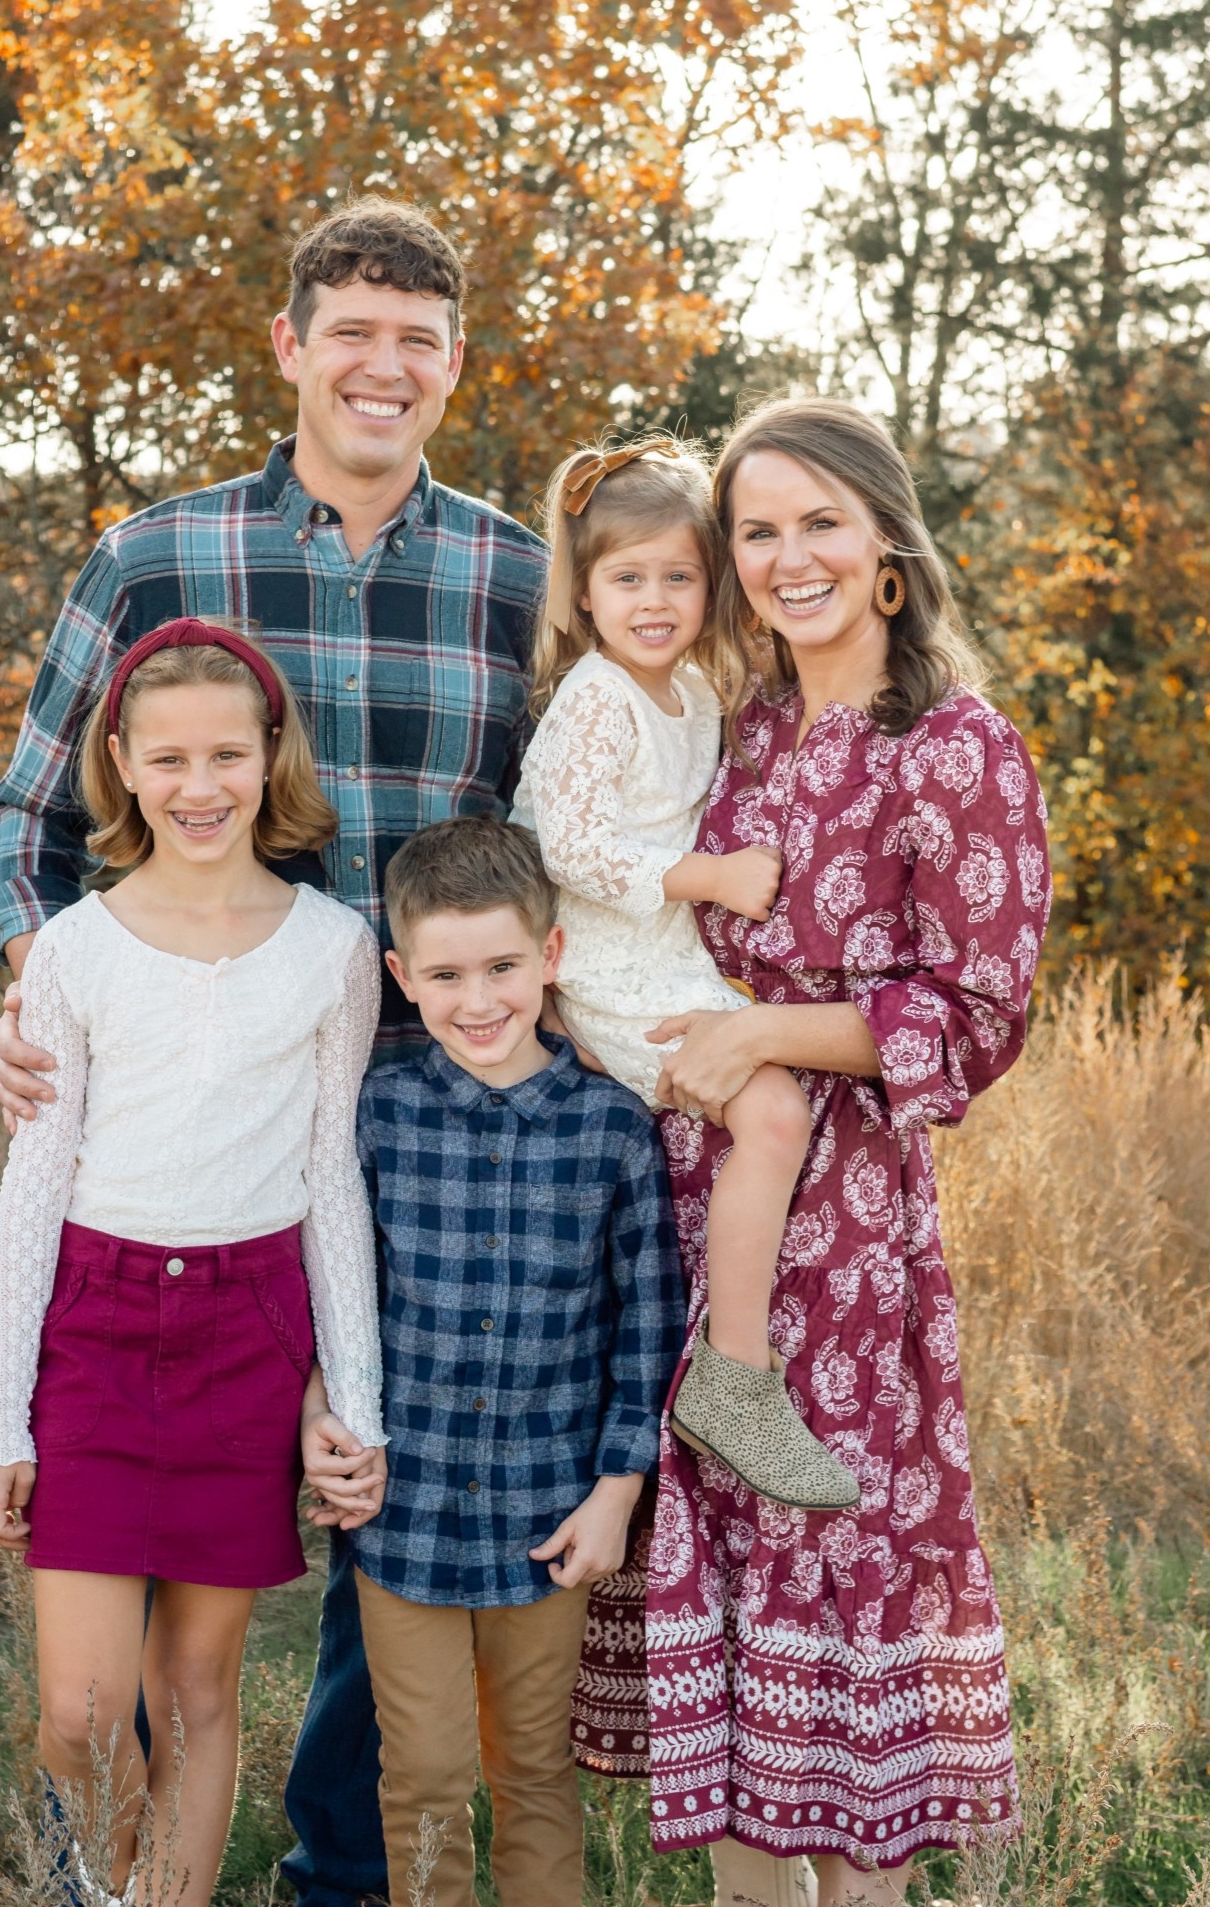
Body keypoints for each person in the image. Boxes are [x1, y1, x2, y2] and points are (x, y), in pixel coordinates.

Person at [0, 198, 547, 1905]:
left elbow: (567, 827)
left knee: (390, 1476)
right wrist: (36, 991)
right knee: (121, 1600)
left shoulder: (522, 577)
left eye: (419, 341)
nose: (385, 365)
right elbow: (27, 809)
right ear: (291, 347)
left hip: (432, 1106)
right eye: (351, 331)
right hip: (191, 1111)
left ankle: (341, 1870)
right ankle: (120, 1871)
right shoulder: (162, 556)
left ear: (451, 367)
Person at [572, 398, 1051, 1906]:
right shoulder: (743, 724)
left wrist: (772, 1039)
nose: (788, 559)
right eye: (757, 532)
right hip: (689, 1198)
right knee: (724, 1596)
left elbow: (975, 1014)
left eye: (818, 524)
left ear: (887, 549)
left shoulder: (955, 748)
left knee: (840, 1574)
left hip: (842, 1233)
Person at [0, 621, 387, 1907]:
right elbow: (31, 1192)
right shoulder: (77, 948)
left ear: (271, 754)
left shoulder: (332, 944)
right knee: (85, 1708)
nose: (199, 786)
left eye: (225, 754)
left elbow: (329, 1181)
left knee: (197, 1691)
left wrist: (351, 1397)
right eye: (167, 759)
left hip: (247, 1330)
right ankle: (99, 1889)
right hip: (92, 1327)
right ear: (123, 765)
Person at [342, 816, 685, 1907]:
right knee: (428, 1773)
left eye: (502, 965)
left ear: (551, 954)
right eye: (444, 974)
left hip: (551, 1515)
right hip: (409, 1514)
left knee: (534, 1769)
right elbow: (336, 1294)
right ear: (401, 975)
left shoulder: (611, 1127)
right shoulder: (379, 1115)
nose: (477, 999)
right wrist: (324, 1410)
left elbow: (647, 1325)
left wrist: (616, 1491)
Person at [512, 434, 858, 1511]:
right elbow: (560, 847)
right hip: (611, 965)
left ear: (710, 587)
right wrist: (705, 874)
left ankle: (728, 1365)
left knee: (780, 1109)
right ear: (583, 592)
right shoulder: (598, 695)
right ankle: (735, 1377)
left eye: (677, 576)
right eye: (626, 578)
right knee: (771, 1112)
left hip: (668, 955)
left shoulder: (695, 697)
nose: (653, 600)